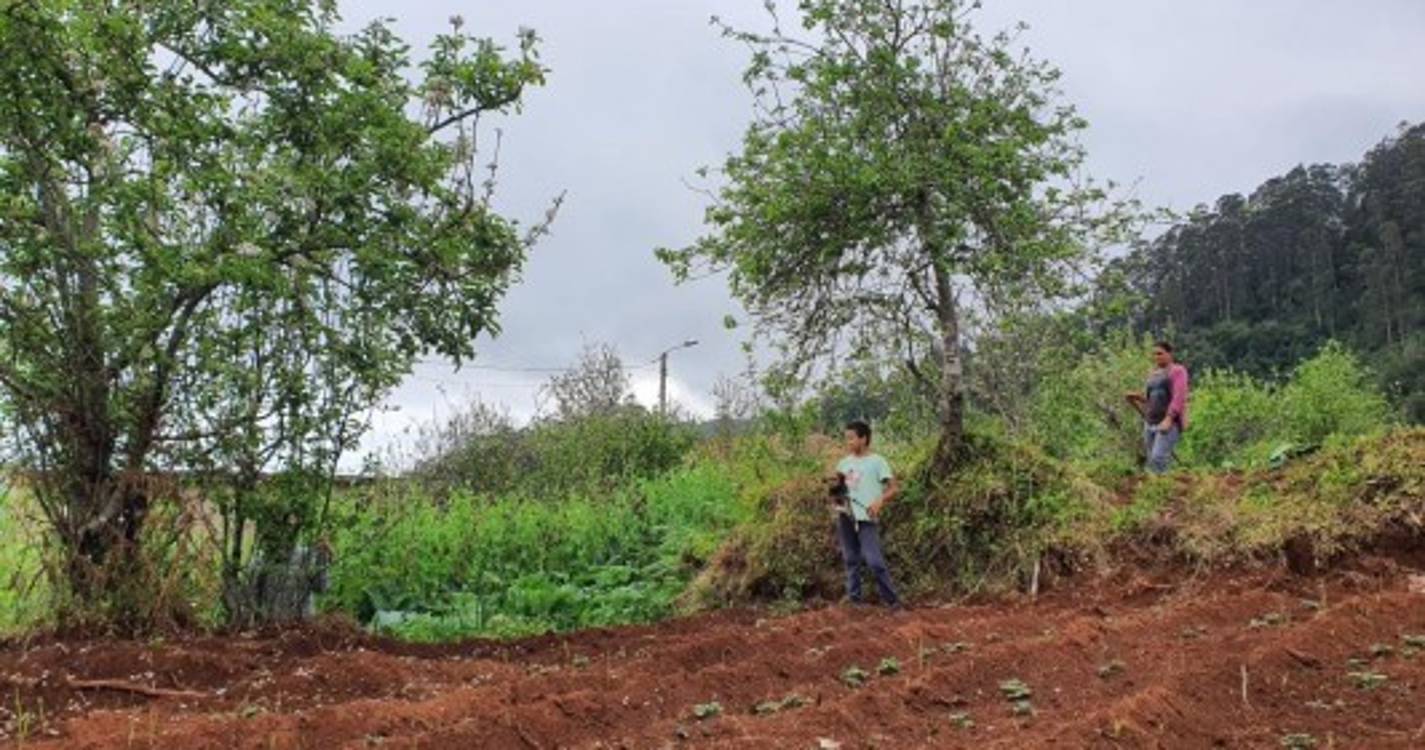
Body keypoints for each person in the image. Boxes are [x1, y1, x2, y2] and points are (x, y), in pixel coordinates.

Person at [830, 420, 902, 609]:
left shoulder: (878, 462)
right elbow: (839, 490)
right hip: (846, 517)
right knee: (851, 559)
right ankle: (855, 601)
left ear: (864, 438)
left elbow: (894, 488)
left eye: (852, 438)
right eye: (846, 438)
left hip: (867, 518)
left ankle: (893, 602)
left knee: (874, 561)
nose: (848, 442)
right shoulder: (844, 463)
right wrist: (836, 497)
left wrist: (879, 501)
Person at [1125, 341, 1190, 474]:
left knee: (1158, 458)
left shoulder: (1178, 371)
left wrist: (1169, 418)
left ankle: (1163, 484)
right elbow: (1152, 399)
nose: (1156, 357)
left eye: (1160, 353)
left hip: (1169, 422)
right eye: (1154, 354)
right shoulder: (1153, 374)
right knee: (1152, 459)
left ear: (1170, 354)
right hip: (1150, 422)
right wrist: (1136, 397)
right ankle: (1158, 484)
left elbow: (1179, 397)